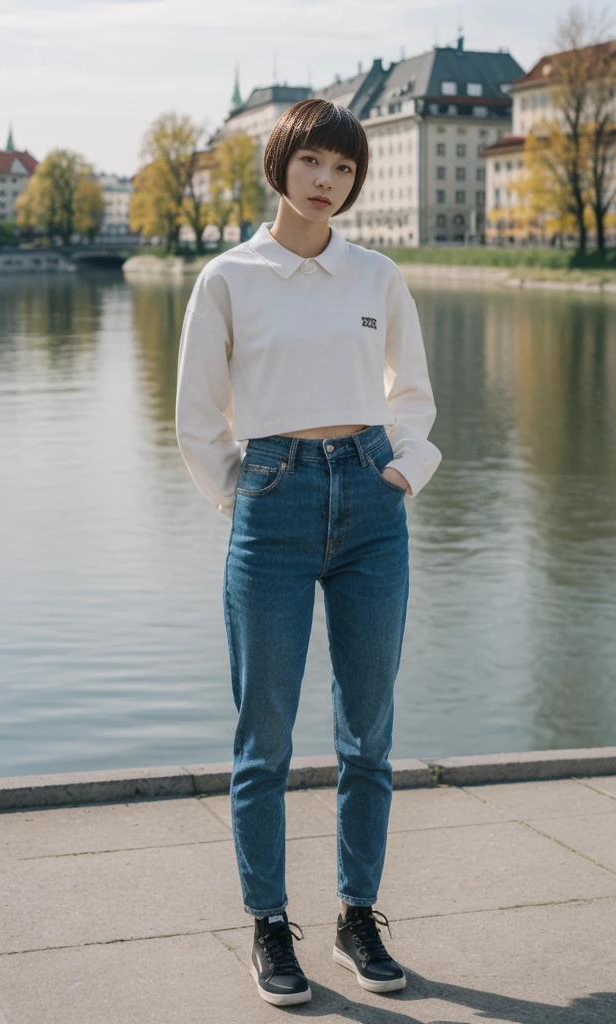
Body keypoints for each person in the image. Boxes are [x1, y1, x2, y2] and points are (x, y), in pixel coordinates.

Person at [175, 98, 442, 1006]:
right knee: (266, 737)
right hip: (274, 502)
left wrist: (407, 468)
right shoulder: (228, 278)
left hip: (373, 501)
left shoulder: (377, 276)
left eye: (344, 170)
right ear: (281, 166)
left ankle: (356, 915)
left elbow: (414, 390)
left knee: (369, 732)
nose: (328, 183)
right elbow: (198, 416)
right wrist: (241, 497)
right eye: (314, 164)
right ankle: (267, 925)